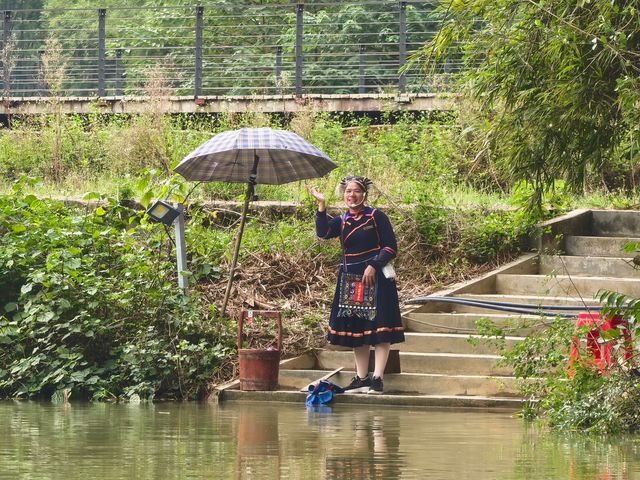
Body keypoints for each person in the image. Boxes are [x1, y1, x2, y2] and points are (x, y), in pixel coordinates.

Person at [307, 176, 405, 394]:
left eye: (356, 191)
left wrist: (374, 265)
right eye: (348, 191)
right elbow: (323, 233)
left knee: (380, 328)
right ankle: (361, 378)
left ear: (364, 194)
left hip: (375, 278)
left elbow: (390, 247)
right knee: (357, 329)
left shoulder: (376, 216)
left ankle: (377, 378)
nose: (352, 195)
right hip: (351, 280)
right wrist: (321, 205)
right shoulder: (342, 220)